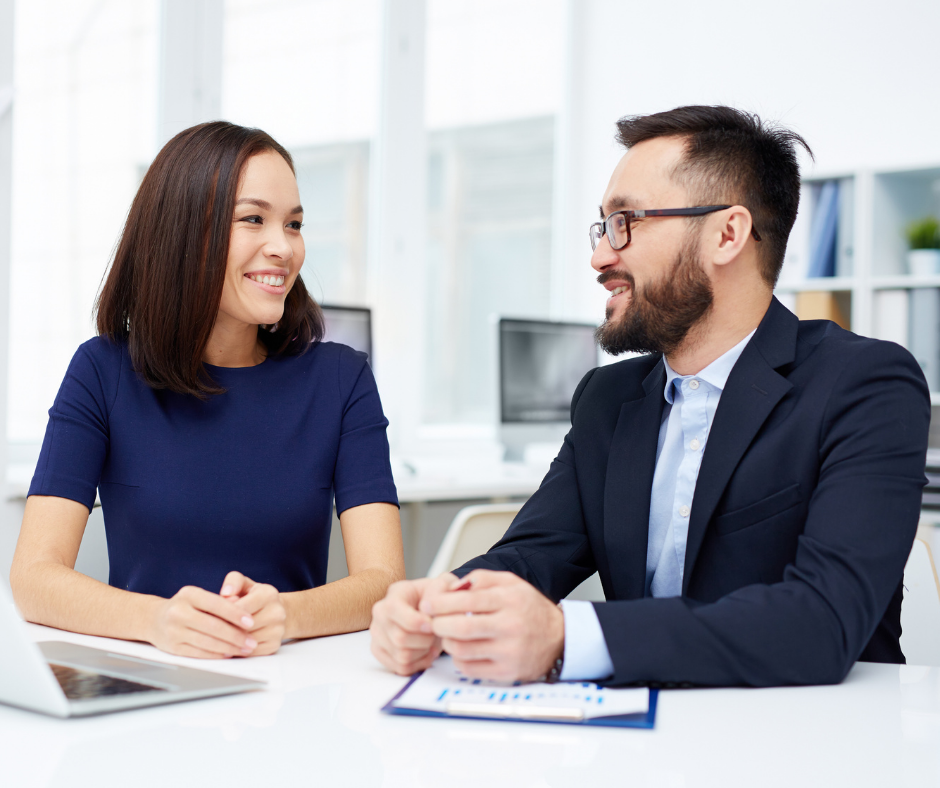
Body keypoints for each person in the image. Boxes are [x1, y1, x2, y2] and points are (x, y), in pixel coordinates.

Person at [369, 105, 931, 687]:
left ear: (727, 234)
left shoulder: (866, 384)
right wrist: (438, 607)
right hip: (636, 744)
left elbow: (823, 622)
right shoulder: (608, 397)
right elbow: (532, 555)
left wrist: (568, 636)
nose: (600, 256)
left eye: (626, 222)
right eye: (603, 226)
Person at [11, 121, 405, 659]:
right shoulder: (101, 371)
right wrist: (157, 619)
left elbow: (383, 580)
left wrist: (287, 614)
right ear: (185, 232)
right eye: (253, 219)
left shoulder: (342, 379)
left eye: (293, 224)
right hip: (152, 678)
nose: (283, 247)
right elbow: (33, 578)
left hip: (290, 684)